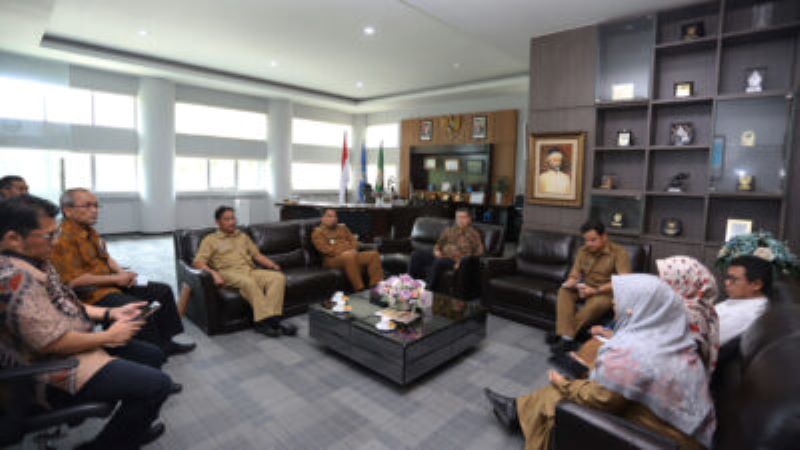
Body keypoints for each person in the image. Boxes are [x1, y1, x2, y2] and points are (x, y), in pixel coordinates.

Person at [0, 195, 173, 449]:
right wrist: (109, 336)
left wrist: (109, 315)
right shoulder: (11, 279)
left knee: (153, 355)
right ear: (13, 238)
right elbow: (51, 342)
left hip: (77, 339)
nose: (55, 240)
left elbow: (67, 303)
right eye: (49, 235)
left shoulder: (37, 261)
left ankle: (130, 431)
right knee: (158, 385)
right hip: (49, 366)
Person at [485, 274, 716, 450]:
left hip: (664, 438)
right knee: (581, 378)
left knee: (559, 395)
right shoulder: (669, 335)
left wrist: (562, 383)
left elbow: (602, 400)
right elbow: (632, 382)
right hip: (684, 429)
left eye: (619, 300)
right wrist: (590, 372)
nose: (614, 304)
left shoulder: (634, 351)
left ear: (635, 308)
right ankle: (515, 410)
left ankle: (517, 412)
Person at [50, 188, 195, 356]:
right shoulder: (62, 240)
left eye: (96, 205)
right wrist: (116, 278)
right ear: (67, 210)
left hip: (111, 282)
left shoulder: (89, 231)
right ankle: (150, 353)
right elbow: (74, 282)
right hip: (91, 294)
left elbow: (106, 258)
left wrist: (122, 274)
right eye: (87, 206)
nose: (94, 210)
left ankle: (166, 341)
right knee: (139, 308)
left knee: (162, 291)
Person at [193, 206, 296, 338]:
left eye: (233, 218)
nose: (232, 222)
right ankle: (271, 322)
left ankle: (270, 319)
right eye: (227, 219)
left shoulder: (242, 236)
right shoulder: (210, 240)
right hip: (228, 273)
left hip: (249, 270)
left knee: (277, 278)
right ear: (218, 222)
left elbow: (257, 255)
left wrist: (272, 264)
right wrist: (213, 274)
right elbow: (198, 262)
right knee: (249, 283)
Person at [550, 219, 631, 354]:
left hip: (604, 292)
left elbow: (624, 280)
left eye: (593, 240)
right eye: (586, 240)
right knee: (564, 291)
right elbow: (575, 272)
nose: (589, 244)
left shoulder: (619, 252)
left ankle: (564, 337)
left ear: (604, 236)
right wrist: (572, 280)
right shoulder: (583, 251)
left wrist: (596, 290)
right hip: (584, 287)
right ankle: (566, 336)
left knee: (597, 304)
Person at [408, 208, 483, 292]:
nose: (460, 220)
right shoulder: (449, 230)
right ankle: (410, 285)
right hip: (441, 255)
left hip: (454, 260)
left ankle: (427, 289)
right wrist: (437, 250)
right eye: (458, 217)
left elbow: (478, 252)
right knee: (416, 255)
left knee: (439, 262)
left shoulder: (474, 234)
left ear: (469, 219)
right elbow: (439, 244)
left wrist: (461, 262)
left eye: (463, 217)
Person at [311, 208, 383, 291]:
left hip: (351, 255)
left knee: (373, 255)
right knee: (349, 255)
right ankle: (359, 289)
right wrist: (347, 250)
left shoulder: (342, 227)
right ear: (322, 218)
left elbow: (353, 241)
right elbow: (326, 250)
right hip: (331, 260)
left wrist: (352, 249)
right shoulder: (317, 232)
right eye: (330, 216)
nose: (333, 219)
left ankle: (377, 287)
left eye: (335, 216)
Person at [716, 255, 772, 346]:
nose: (726, 283)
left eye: (733, 279)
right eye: (727, 278)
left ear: (756, 285)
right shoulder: (740, 300)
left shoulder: (750, 314)